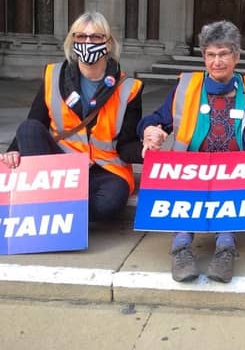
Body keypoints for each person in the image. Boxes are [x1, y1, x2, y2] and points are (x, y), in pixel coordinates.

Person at [138, 20, 245, 283]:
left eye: (223, 54)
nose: (217, 61)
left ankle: (225, 248)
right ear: (203, 57)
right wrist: (150, 130)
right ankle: (180, 248)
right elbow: (156, 119)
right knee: (187, 193)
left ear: (236, 56)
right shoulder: (186, 87)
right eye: (210, 55)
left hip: (236, 173)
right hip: (192, 171)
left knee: (227, 192)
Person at [0, 11, 144, 221]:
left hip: (105, 169)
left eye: (96, 37)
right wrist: (13, 151)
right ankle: (60, 203)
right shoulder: (54, 75)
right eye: (81, 37)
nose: (88, 42)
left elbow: (126, 144)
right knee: (28, 129)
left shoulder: (130, 88)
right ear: (72, 41)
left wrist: (147, 151)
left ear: (109, 44)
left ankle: (52, 205)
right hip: (61, 165)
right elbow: (35, 122)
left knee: (109, 205)